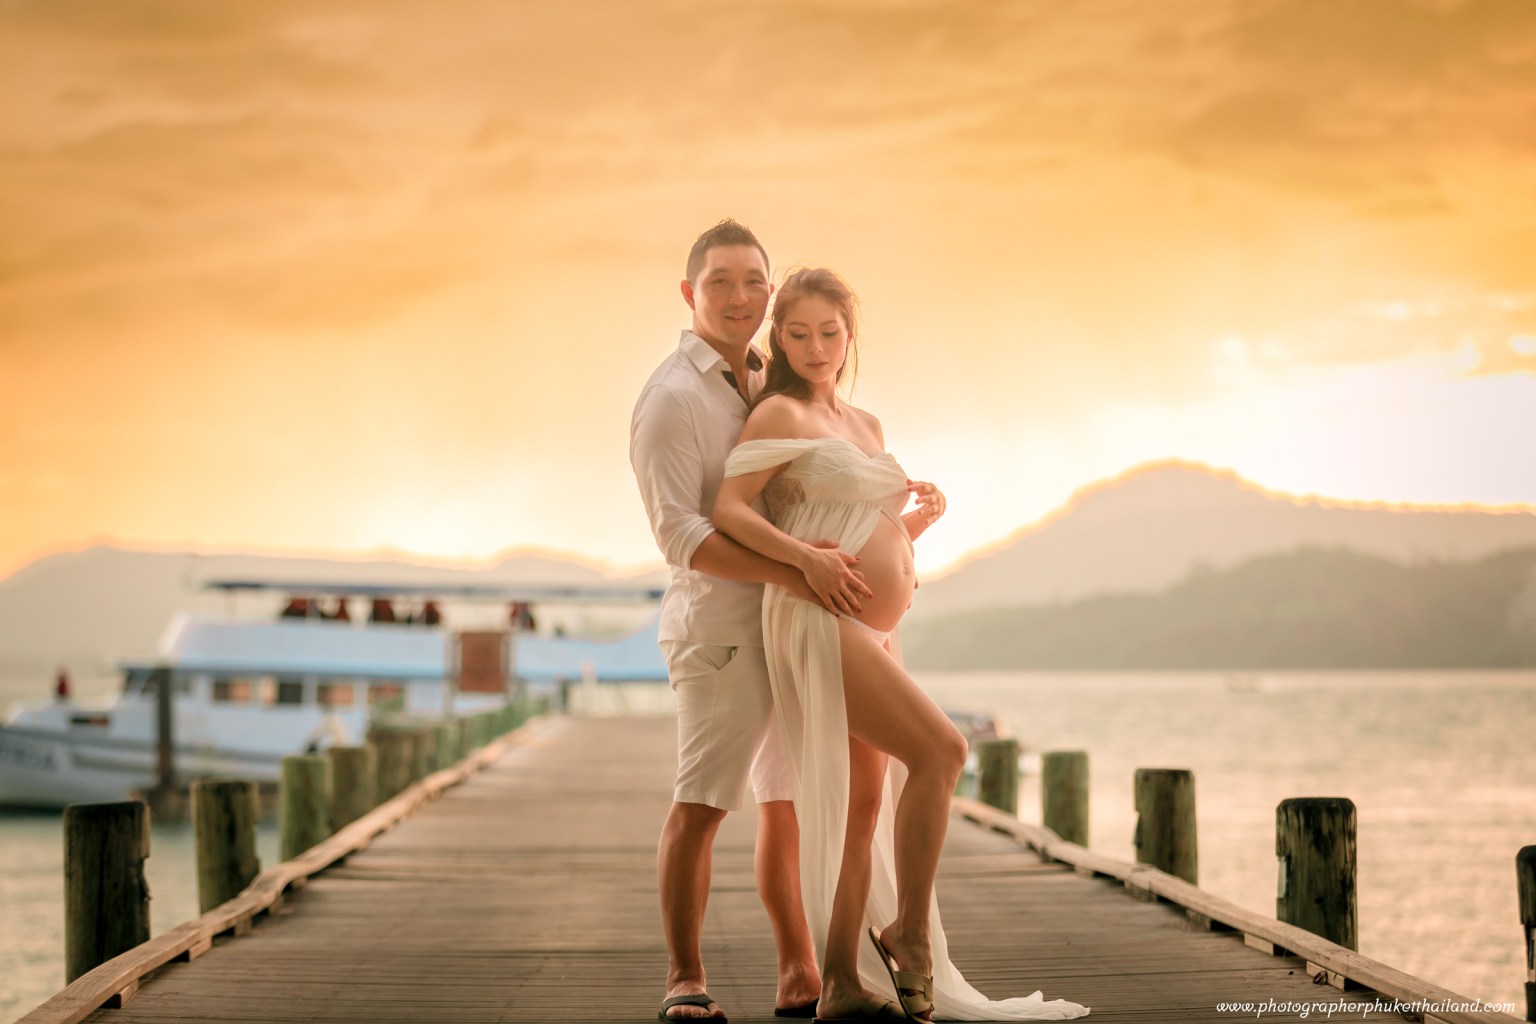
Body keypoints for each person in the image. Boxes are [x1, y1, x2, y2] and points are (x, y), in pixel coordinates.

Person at [712, 268, 1090, 1022]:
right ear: (778, 339)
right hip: (817, 614)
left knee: (866, 807)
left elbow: (861, 524)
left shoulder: (865, 424)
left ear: (851, 335)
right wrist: (802, 558)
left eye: (830, 332)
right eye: (797, 333)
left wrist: (912, 529)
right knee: (943, 751)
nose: (816, 347)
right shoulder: (778, 412)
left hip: (875, 626)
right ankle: (910, 935)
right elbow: (728, 509)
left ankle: (843, 981)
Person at [630, 221, 872, 1022]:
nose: (739, 296)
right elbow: (683, 536)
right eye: (720, 281)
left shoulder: (768, 377)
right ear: (689, 292)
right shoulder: (672, 398)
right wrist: (796, 569)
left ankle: (801, 973)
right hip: (722, 632)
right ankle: (684, 982)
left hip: (788, 627)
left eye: (752, 281)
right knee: (702, 804)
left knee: (786, 805)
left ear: (769, 293)